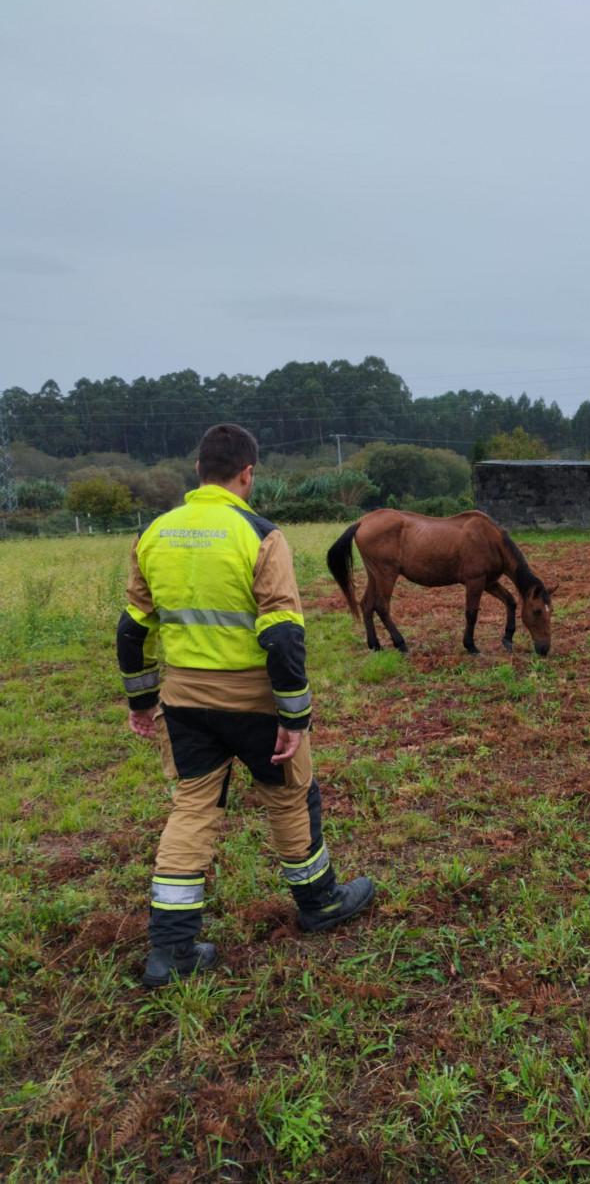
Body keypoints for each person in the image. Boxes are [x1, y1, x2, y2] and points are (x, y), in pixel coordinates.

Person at [117, 423, 374, 988]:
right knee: (289, 797)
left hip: (182, 702)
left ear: (198, 472)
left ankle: (172, 951)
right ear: (247, 474)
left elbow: (133, 630)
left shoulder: (153, 534)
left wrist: (141, 702)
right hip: (253, 702)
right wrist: (294, 717)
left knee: (191, 810)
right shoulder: (260, 535)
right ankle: (320, 903)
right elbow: (282, 635)